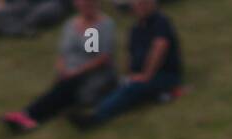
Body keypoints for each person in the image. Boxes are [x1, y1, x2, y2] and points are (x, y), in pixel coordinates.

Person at [1, 0, 116, 133]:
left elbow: (103, 58)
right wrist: (61, 69)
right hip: (69, 76)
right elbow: (63, 54)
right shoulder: (70, 25)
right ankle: (29, 119)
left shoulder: (104, 25)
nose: (85, 6)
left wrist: (77, 71)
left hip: (92, 75)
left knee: (62, 91)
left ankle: (27, 115)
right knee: (60, 93)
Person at [72, 0, 183, 129]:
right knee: (119, 85)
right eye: (137, 5)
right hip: (142, 76)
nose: (140, 8)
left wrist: (146, 75)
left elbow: (159, 48)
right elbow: (130, 56)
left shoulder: (161, 22)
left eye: (143, 4)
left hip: (164, 75)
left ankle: (96, 118)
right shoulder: (135, 29)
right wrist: (129, 75)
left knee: (132, 88)